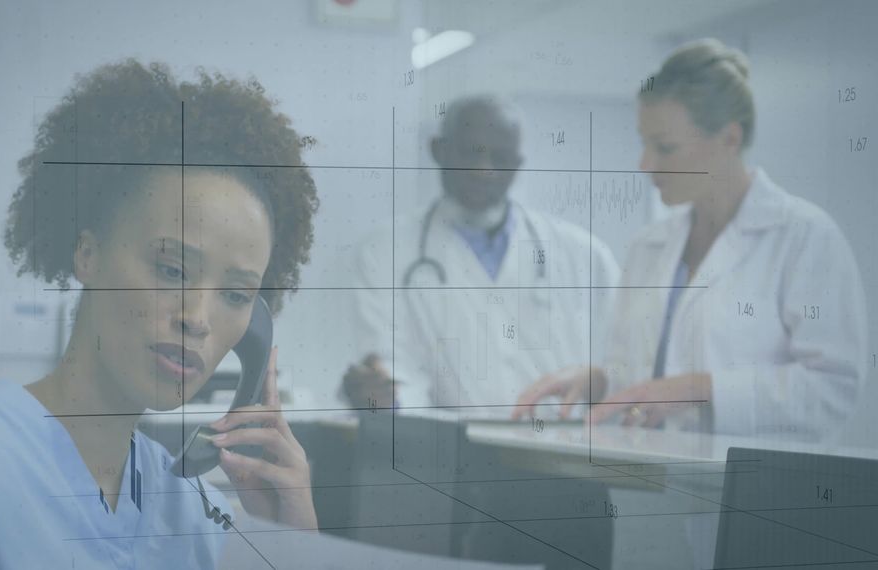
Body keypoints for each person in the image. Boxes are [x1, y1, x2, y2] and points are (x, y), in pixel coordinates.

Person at [0, 59, 320, 568]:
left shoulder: (191, 508)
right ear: (87, 254)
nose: (199, 318)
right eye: (171, 269)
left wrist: (291, 548)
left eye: (235, 295)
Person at [514, 39, 868, 443]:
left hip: (755, 490)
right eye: (644, 143)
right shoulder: (648, 245)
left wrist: (701, 389)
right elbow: (640, 377)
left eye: (665, 147)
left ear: (729, 139)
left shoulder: (803, 237)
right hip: (647, 487)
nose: (645, 165)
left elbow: (832, 392)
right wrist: (599, 382)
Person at [343, 95, 620, 416]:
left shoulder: (584, 253)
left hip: (564, 447)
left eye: (500, 158)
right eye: (471, 153)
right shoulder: (385, 250)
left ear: (518, 166)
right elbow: (395, 370)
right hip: (455, 451)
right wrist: (385, 397)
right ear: (439, 150)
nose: (483, 170)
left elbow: (620, 363)